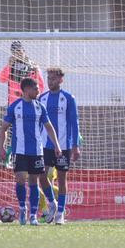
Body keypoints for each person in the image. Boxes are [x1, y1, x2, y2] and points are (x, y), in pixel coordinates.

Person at [0, 77, 62, 226]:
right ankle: (23, 208)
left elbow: (48, 127)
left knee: (34, 181)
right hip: (19, 151)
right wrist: (1, 146)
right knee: (21, 179)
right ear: (26, 90)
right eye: (35, 88)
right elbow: (3, 128)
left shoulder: (40, 107)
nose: (38, 90)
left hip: (36, 151)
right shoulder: (15, 107)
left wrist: (57, 145)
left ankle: (33, 215)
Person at [38, 67, 80, 225]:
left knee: (62, 179)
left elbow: (74, 123)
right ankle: (52, 203)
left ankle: (60, 213)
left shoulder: (68, 98)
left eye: (53, 79)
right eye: (48, 78)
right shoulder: (42, 98)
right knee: (41, 176)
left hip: (63, 146)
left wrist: (75, 146)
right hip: (45, 145)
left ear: (61, 80)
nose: (50, 81)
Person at [0, 40, 45, 106]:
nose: (18, 55)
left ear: (24, 51)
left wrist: (37, 72)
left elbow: (41, 87)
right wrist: (9, 65)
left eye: (19, 52)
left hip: (30, 103)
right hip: (14, 104)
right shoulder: (11, 67)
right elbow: (2, 79)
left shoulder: (32, 66)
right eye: (15, 53)